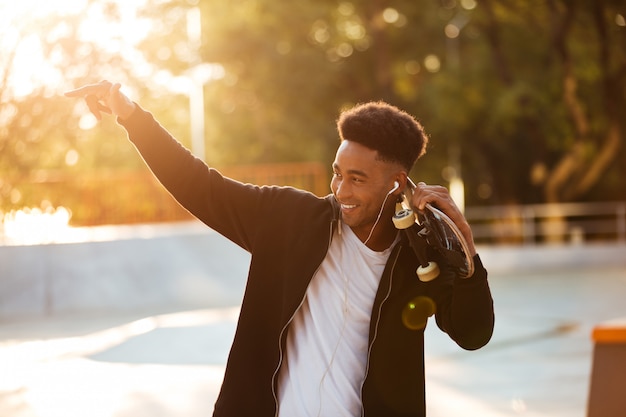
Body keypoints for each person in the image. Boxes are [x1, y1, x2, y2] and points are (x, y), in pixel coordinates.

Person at [65, 80, 494, 417]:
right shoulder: (289, 219)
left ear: (397, 184)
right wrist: (132, 117)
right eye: (337, 173)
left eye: (357, 179)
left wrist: (466, 255)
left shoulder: (419, 257)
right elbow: (199, 184)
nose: (340, 189)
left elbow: (473, 334)